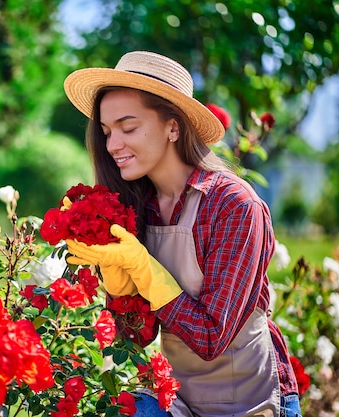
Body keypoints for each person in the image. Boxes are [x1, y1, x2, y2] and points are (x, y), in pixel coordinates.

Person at [62, 51, 302, 417]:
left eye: (128, 128)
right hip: (182, 400)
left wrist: (142, 267)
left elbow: (210, 338)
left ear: (173, 127)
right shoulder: (139, 205)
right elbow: (136, 337)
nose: (112, 145)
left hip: (253, 402)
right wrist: (118, 282)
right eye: (108, 132)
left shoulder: (234, 206)